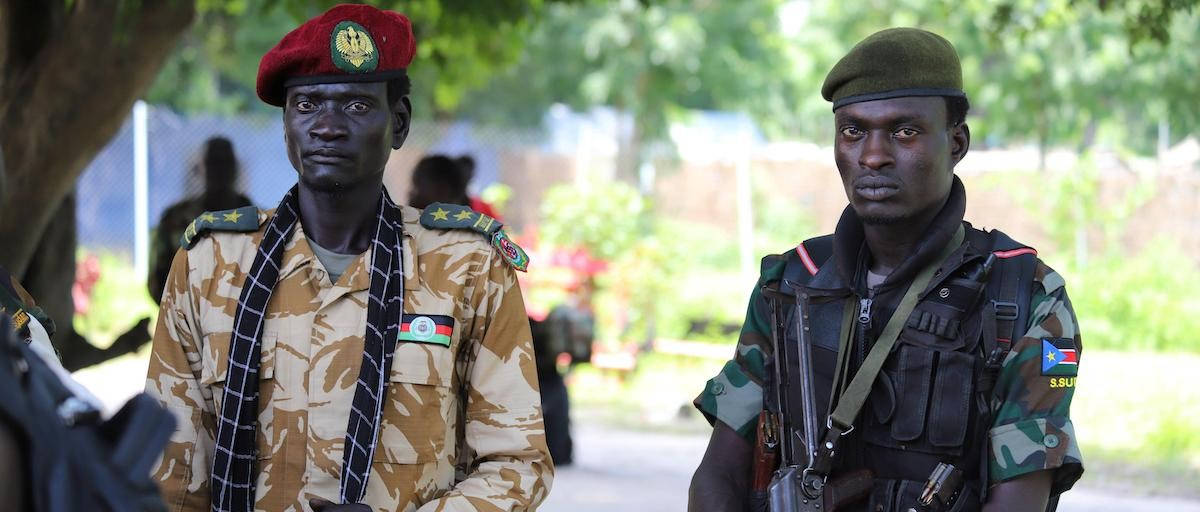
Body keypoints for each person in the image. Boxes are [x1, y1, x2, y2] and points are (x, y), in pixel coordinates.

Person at [144, 5, 552, 512]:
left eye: (357, 106)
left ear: (398, 122)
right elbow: (171, 476)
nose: (327, 127)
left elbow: (517, 464)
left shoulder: (466, 267)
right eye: (307, 104)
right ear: (287, 123)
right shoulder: (210, 266)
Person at [688, 28, 1082, 512]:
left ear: (956, 142)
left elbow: (1020, 500)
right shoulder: (790, 283)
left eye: (905, 131)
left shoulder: (1027, 297)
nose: (873, 155)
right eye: (853, 131)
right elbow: (717, 475)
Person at [148, 136, 254, 304]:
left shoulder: (258, 221)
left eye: (226, 162)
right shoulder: (175, 220)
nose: (220, 170)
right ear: (201, 168)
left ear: (235, 168)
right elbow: (158, 283)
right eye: (214, 162)